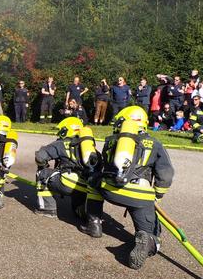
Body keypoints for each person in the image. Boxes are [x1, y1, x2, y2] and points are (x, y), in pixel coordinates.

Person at [98, 106, 174, 269]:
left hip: (108, 190)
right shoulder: (155, 143)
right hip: (138, 195)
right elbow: (166, 173)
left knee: (94, 186)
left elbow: (103, 164)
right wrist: (158, 195)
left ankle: (92, 218)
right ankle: (149, 241)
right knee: (150, 230)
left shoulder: (111, 140)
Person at [34, 117, 104, 237]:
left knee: (42, 174)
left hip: (67, 183)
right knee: (76, 206)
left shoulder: (62, 143)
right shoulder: (91, 148)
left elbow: (40, 157)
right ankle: (86, 213)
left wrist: (43, 167)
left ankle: (47, 209)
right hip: (88, 188)